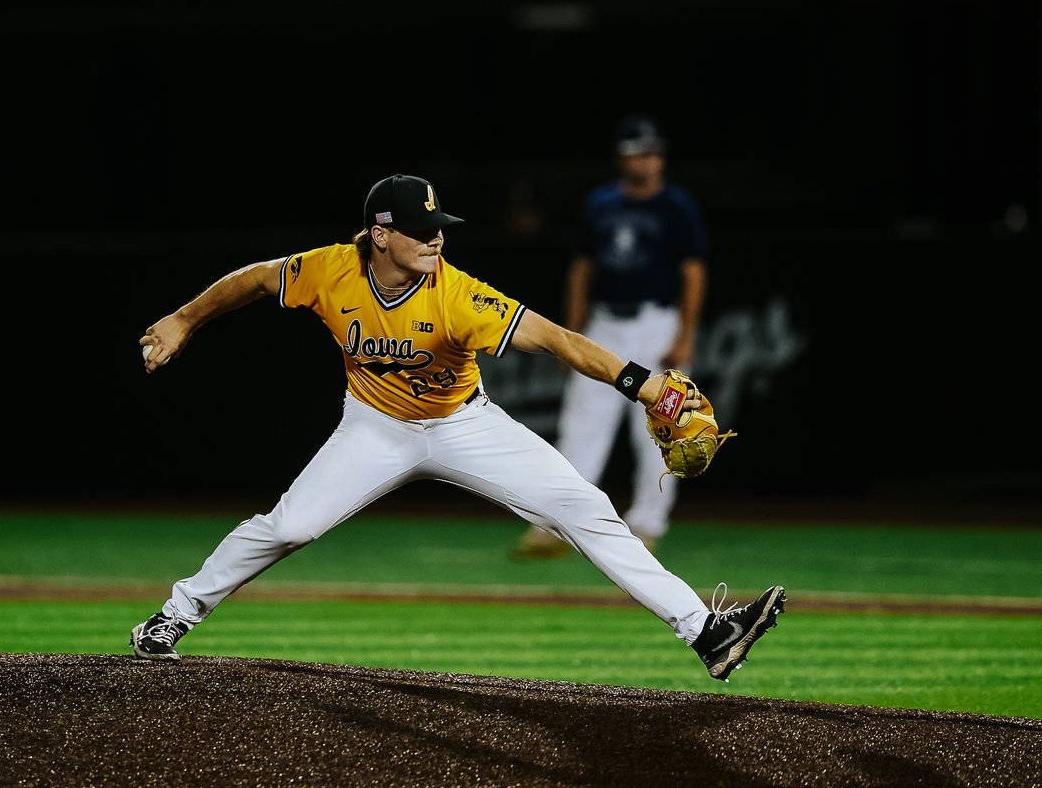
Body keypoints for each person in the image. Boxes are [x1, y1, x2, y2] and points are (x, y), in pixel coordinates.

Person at [129, 173, 784, 681]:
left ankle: (706, 631)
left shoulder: (459, 295)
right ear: (379, 234)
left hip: (466, 426)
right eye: (421, 228)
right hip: (374, 429)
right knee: (289, 527)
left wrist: (642, 385)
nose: (436, 237)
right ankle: (174, 615)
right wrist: (185, 319)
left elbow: (557, 339)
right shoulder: (329, 271)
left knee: (586, 507)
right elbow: (253, 280)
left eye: (439, 225)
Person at [513, 116, 708, 560]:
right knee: (581, 428)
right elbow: (582, 269)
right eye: (641, 152)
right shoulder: (600, 203)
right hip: (605, 325)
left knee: (664, 429)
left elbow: (693, 272)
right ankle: (556, 525)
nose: (650, 160)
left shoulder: (677, 206)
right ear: (623, 157)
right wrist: (572, 333)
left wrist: (685, 334)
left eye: (654, 152)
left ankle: (647, 524)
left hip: (657, 322)